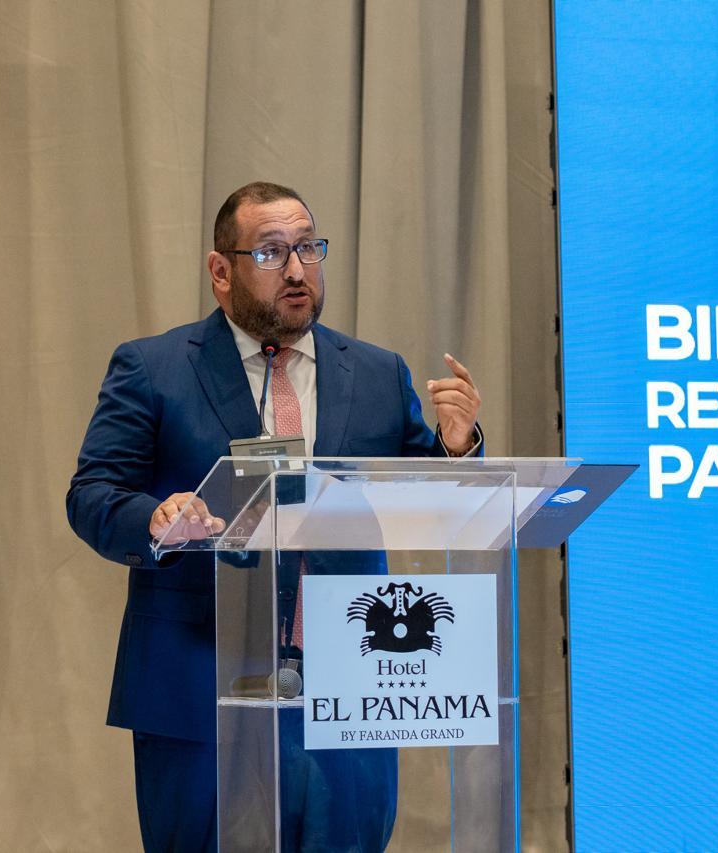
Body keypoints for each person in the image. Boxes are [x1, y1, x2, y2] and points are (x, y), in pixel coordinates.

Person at [66, 181, 481, 852]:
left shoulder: (377, 373)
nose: (296, 269)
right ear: (220, 270)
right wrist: (156, 517)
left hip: (353, 686)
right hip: (201, 682)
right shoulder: (154, 368)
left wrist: (456, 449)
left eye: (308, 248)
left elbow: (426, 496)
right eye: (270, 251)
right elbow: (93, 493)